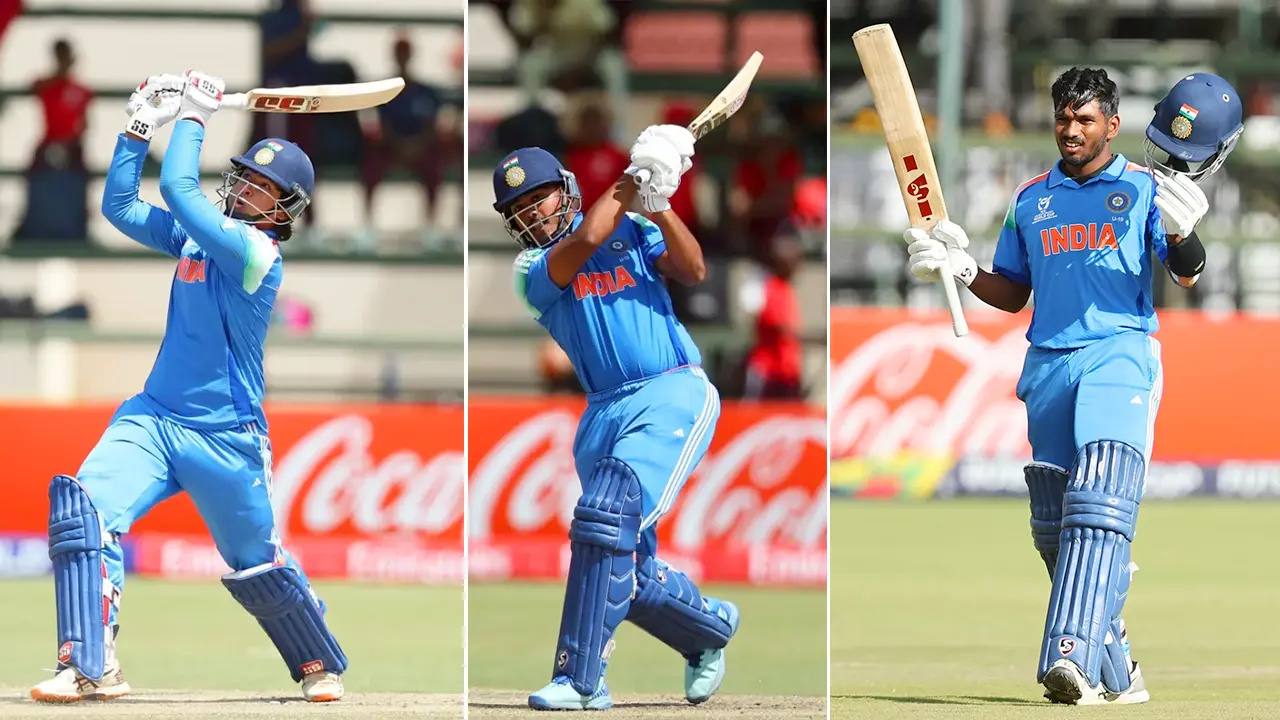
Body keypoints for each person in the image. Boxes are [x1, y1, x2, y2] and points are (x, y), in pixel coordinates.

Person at [904, 68, 1237, 706]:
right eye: (1064, 118)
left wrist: (1183, 235)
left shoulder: (1145, 190)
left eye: (1086, 120)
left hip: (1119, 352)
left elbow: (1188, 275)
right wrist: (964, 267)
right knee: (1054, 525)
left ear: (1113, 125)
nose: (1072, 129)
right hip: (1048, 362)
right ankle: (1120, 672)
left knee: (1099, 495)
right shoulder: (1032, 198)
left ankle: (1070, 659)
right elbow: (1013, 291)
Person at [29, 71, 347, 704]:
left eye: (262, 188)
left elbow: (177, 186)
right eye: (245, 178)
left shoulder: (257, 255)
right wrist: (137, 127)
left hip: (227, 436)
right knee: (85, 510)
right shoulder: (197, 240)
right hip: (152, 418)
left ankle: (318, 660)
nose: (244, 190)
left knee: (256, 563)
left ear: (284, 210)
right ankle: (91, 663)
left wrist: (194, 117)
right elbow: (119, 206)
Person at [494, 127, 739, 710]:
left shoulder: (634, 226)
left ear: (567, 190)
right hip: (603, 413)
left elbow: (694, 269)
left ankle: (579, 680)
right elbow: (589, 238)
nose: (531, 213)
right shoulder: (532, 267)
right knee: (624, 562)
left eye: (539, 198)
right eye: (518, 208)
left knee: (606, 517)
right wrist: (634, 178)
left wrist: (661, 203)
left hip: (670, 389)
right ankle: (708, 630)